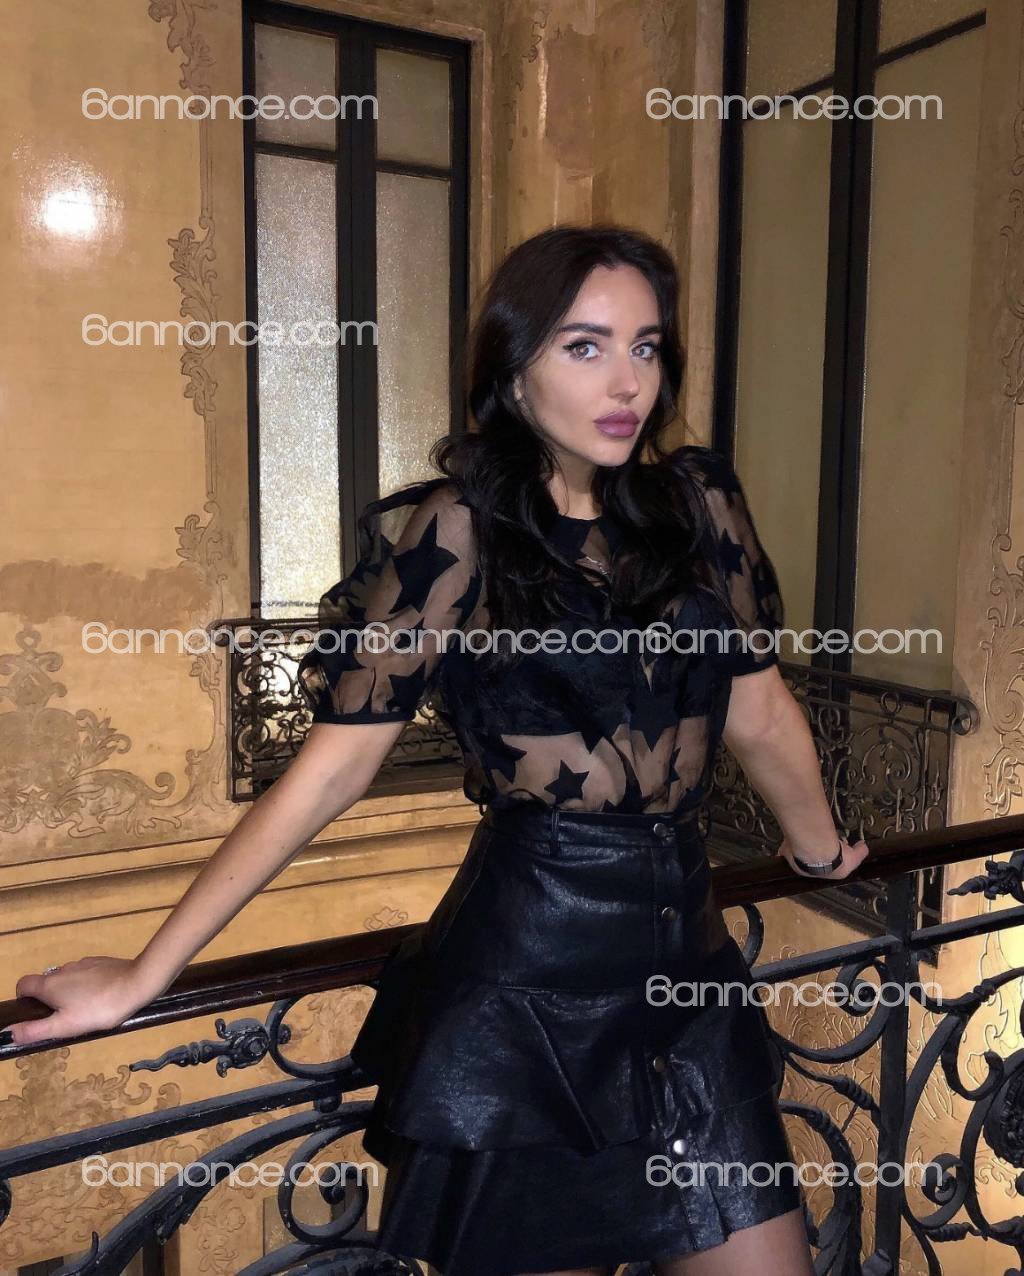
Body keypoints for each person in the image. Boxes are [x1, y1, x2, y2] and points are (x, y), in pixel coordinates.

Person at [6, 225, 869, 1276]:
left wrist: (818, 848)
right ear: (514, 371)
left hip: (687, 984)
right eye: (585, 346)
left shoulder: (694, 506)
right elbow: (335, 767)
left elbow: (757, 709)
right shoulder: (460, 530)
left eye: (645, 346)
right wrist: (148, 971)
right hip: (523, 997)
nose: (627, 382)